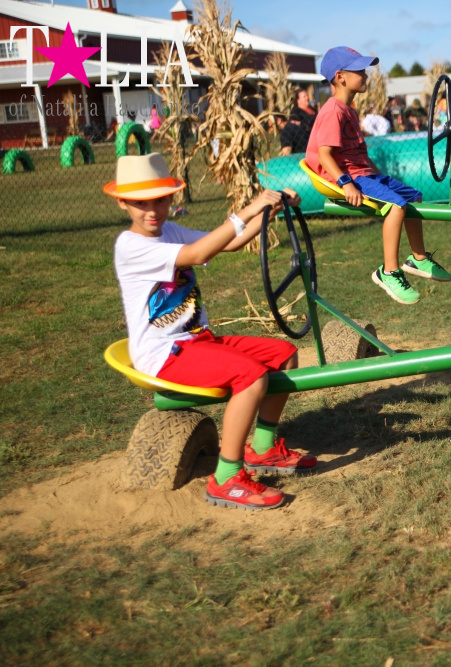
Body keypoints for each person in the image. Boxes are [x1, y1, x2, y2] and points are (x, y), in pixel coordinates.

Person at [106, 152, 316, 510]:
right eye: (141, 203)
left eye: (160, 200)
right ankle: (226, 478)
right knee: (251, 377)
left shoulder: (169, 230)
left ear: (171, 198)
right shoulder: (131, 245)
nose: (152, 211)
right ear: (123, 202)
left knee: (283, 355)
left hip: (196, 340)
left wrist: (271, 210)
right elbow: (197, 253)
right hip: (164, 354)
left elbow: (228, 243)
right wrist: (246, 210)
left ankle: (262, 448)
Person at [306, 46, 451, 305]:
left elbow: (359, 154)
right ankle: (388, 272)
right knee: (396, 206)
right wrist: (346, 184)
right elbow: (325, 155)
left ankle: (418, 259)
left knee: (413, 197)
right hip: (350, 178)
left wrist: (378, 175)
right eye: (360, 71)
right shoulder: (333, 111)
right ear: (340, 77)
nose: (366, 75)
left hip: (365, 174)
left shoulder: (349, 111)